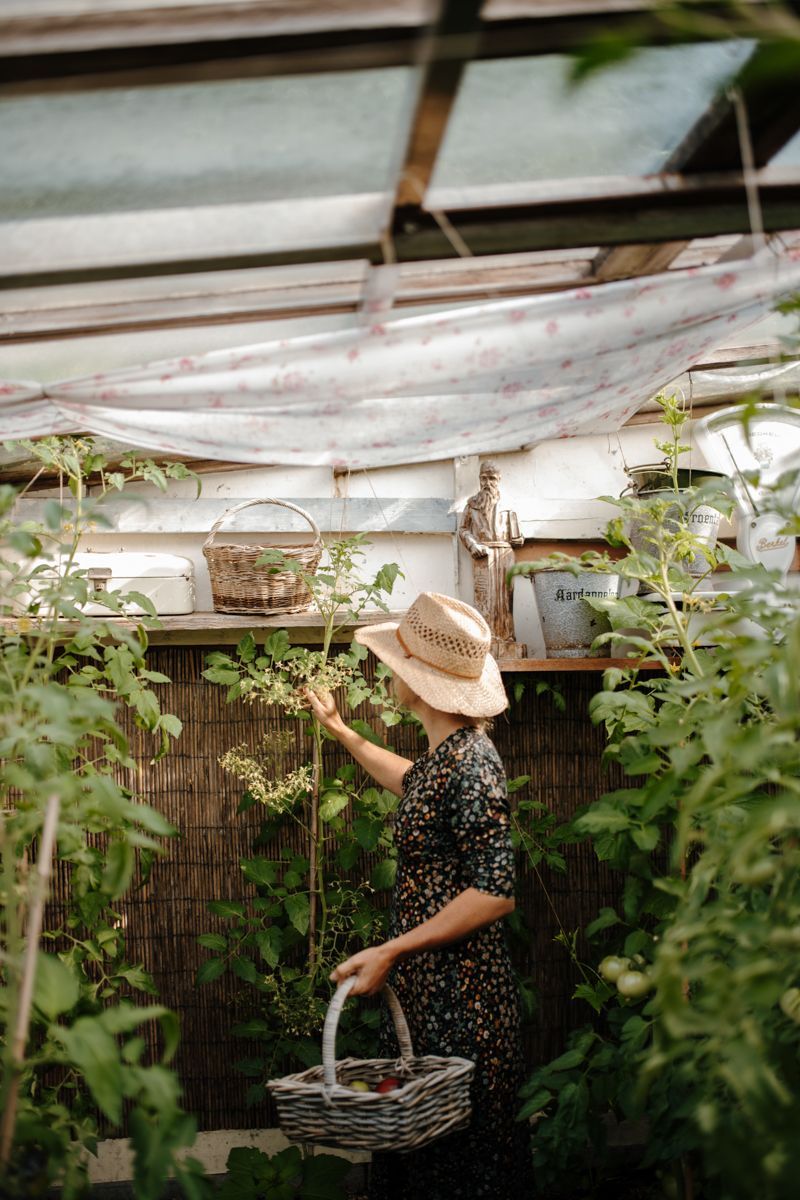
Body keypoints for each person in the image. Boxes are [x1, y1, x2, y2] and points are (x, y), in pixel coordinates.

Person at [305, 591, 532, 1200]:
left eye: (398, 666)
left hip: (464, 1000)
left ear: (422, 684)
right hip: (433, 993)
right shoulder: (445, 757)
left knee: (460, 1164)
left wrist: (393, 950)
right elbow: (411, 783)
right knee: (425, 1156)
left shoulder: (473, 764)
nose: (389, 674)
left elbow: (494, 893)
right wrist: (341, 731)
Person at [459, 460, 524, 656]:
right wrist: (473, 545)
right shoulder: (472, 505)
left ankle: (506, 639)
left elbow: (517, 537)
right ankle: (484, 640)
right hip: (482, 554)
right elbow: (462, 529)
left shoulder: (509, 506)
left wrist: (518, 538)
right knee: (484, 597)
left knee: (505, 600)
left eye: (492, 478)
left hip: (504, 554)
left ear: (499, 480)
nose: (487, 483)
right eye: (484, 478)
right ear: (479, 479)